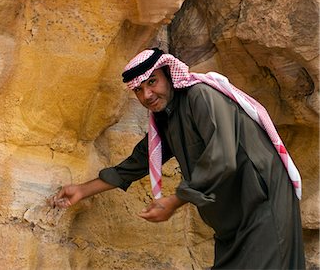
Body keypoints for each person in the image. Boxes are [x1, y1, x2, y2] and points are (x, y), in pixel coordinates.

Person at [49, 48, 305, 269]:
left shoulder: (201, 96)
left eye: (152, 82)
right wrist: (82, 190)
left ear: (170, 75)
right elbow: (139, 162)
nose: (146, 95)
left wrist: (175, 200)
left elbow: (222, 157)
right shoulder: (167, 119)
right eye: (138, 90)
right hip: (232, 224)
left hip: (264, 208)